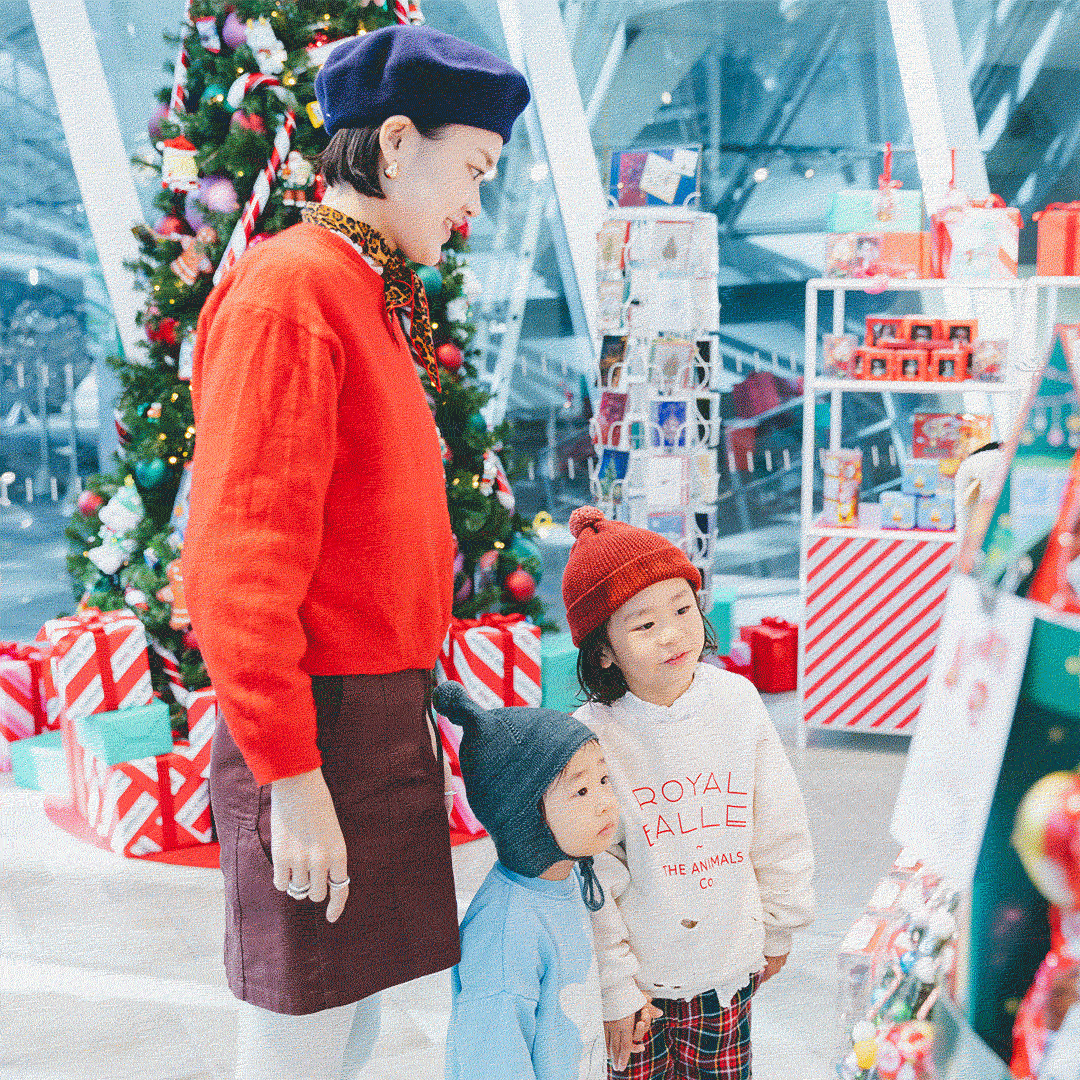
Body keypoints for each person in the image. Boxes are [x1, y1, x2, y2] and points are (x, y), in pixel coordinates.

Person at [181, 24, 529, 1080]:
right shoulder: (297, 292)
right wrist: (293, 778)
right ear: (392, 146)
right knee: (300, 1036)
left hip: (369, 716)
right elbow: (238, 565)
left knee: (351, 1020)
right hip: (318, 725)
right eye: (470, 167)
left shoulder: (357, 286)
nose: (475, 202)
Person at [560, 506, 815, 1080]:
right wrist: (614, 984)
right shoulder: (592, 735)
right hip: (639, 985)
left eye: (682, 609)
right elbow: (591, 874)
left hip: (727, 966)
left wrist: (779, 922)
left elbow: (777, 822)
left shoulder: (737, 702)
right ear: (603, 650)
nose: (673, 634)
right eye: (644, 625)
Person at [434, 681, 659, 1080]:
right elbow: (493, 1064)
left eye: (605, 781)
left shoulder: (565, 877)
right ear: (526, 817)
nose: (606, 801)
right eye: (582, 790)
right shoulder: (505, 934)